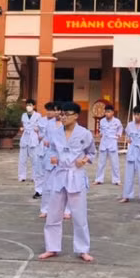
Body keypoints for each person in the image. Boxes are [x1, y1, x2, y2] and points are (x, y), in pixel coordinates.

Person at [39, 102, 96, 263]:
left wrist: (84, 160)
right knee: (54, 214)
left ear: (76, 116)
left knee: (79, 215)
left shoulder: (84, 134)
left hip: (75, 175)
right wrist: (53, 157)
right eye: (62, 114)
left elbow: (92, 152)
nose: (63, 117)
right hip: (59, 175)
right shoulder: (56, 133)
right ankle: (52, 247)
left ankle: (82, 249)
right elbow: (51, 149)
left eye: (67, 114)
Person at [38, 103, 70, 219]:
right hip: (50, 157)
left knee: (65, 185)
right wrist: (46, 141)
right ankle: (45, 209)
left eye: (58, 110)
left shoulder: (67, 125)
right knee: (47, 185)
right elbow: (46, 138)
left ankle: (66, 210)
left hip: (63, 157)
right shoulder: (49, 124)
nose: (56, 113)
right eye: (55, 110)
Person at [120, 105, 140, 204]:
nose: (136, 116)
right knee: (129, 175)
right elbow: (127, 134)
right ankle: (126, 196)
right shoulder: (130, 125)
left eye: (138, 114)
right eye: (135, 114)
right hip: (132, 150)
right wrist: (128, 139)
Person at [94, 104, 122, 185]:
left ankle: (116, 180)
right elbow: (101, 130)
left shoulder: (117, 121)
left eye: (109, 112)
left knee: (115, 163)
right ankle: (99, 179)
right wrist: (100, 134)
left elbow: (120, 129)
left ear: (113, 112)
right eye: (106, 112)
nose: (107, 114)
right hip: (104, 142)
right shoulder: (102, 121)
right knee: (101, 163)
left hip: (112, 142)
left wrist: (119, 135)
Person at [17, 99, 41, 182]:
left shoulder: (38, 115)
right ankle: (22, 176)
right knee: (22, 159)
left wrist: (37, 129)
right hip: (25, 137)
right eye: (27, 105)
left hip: (33, 137)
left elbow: (40, 126)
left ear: (34, 106)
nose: (28, 107)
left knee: (35, 159)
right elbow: (22, 124)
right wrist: (22, 128)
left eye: (30, 105)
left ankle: (34, 176)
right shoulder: (23, 115)